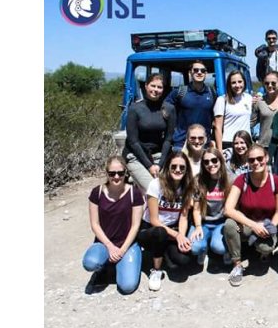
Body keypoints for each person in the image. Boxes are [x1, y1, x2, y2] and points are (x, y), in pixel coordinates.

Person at [224, 145, 278, 287]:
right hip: (245, 227)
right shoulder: (242, 180)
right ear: (247, 162)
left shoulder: (275, 181)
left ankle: (261, 251)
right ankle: (237, 263)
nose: (256, 163)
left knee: (266, 248)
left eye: (260, 158)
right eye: (252, 160)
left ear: (267, 158)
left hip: (267, 226)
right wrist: (253, 225)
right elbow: (228, 209)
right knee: (230, 225)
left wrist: (270, 227)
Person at [82, 156, 144, 294]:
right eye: (112, 173)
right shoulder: (97, 192)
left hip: (127, 244)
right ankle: (105, 267)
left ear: (125, 173)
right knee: (90, 262)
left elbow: (135, 226)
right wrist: (110, 247)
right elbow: (95, 224)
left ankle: (120, 264)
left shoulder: (134, 193)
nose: (116, 177)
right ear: (107, 173)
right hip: (104, 243)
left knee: (127, 286)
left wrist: (121, 250)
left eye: (120, 173)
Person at [136, 152, 195, 292]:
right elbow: (154, 220)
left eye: (182, 167)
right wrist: (177, 236)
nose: (178, 170)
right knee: (160, 233)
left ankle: (164, 254)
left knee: (183, 260)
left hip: (171, 229)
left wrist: (181, 235)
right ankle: (156, 270)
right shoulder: (156, 185)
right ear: (167, 167)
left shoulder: (187, 187)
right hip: (151, 229)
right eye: (173, 166)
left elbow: (184, 216)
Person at [123, 74, 176, 192]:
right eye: (153, 86)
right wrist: (149, 166)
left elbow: (168, 139)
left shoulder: (169, 109)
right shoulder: (135, 109)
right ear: (146, 86)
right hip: (136, 157)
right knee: (154, 189)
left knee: (170, 188)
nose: (155, 90)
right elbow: (133, 141)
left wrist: (160, 164)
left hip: (158, 157)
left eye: (159, 87)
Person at [188, 147, 231, 265]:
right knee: (194, 248)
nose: (210, 164)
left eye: (214, 160)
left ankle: (226, 249)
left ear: (220, 161)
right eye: (206, 162)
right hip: (203, 222)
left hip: (221, 222)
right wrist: (197, 227)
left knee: (219, 247)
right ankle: (203, 248)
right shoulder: (199, 180)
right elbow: (196, 209)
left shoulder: (229, 179)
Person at [165, 61, 216, 150]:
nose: (199, 72)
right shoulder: (180, 92)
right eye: (196, 70)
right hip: (181, 144)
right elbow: (165, 109)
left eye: (202, 70)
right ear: (190, 73)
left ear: (206, 73)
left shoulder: (212, 93)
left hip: (203, 144)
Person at [214, 70, 252, 154]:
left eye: (240, 82)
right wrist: (220, 151)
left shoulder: (249, 98)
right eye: (233, 83)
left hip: (246, 143)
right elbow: (218, 127)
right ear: (229, 85)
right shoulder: (222, 100)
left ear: (244, 82)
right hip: (229, 143)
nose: (237, 85)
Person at [251, 71, 278, 148]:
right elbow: (250, 123)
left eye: (273, 83)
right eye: (267, 83)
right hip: (264, 146)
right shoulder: (259, 102)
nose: (270, 85)